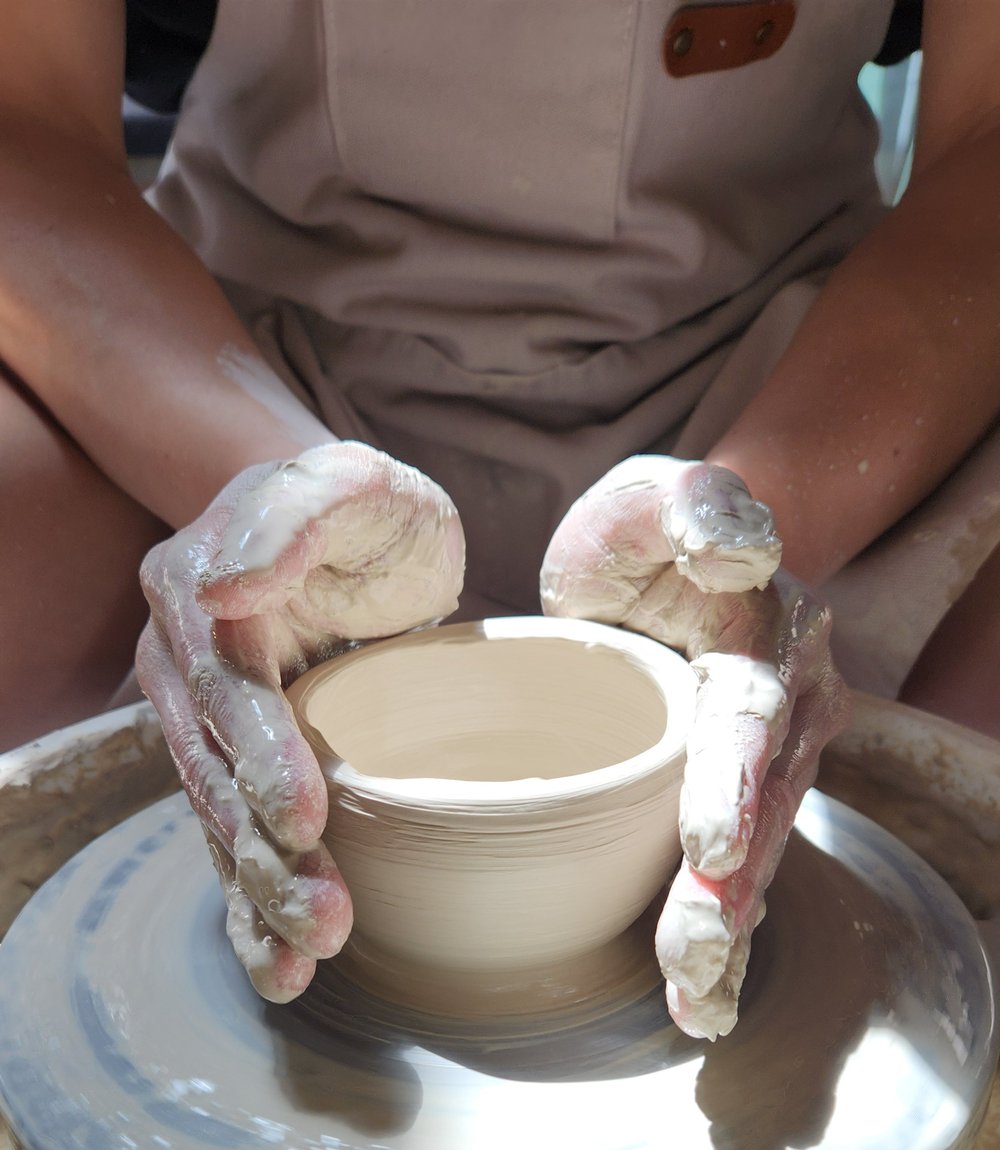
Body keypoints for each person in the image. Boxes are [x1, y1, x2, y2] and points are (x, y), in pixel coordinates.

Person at [3, 0, 998, 1039]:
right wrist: (267, 505)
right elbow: (22, 123)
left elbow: (986, 138)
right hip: (231, 360)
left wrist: (758, 526)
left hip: (804, 378)